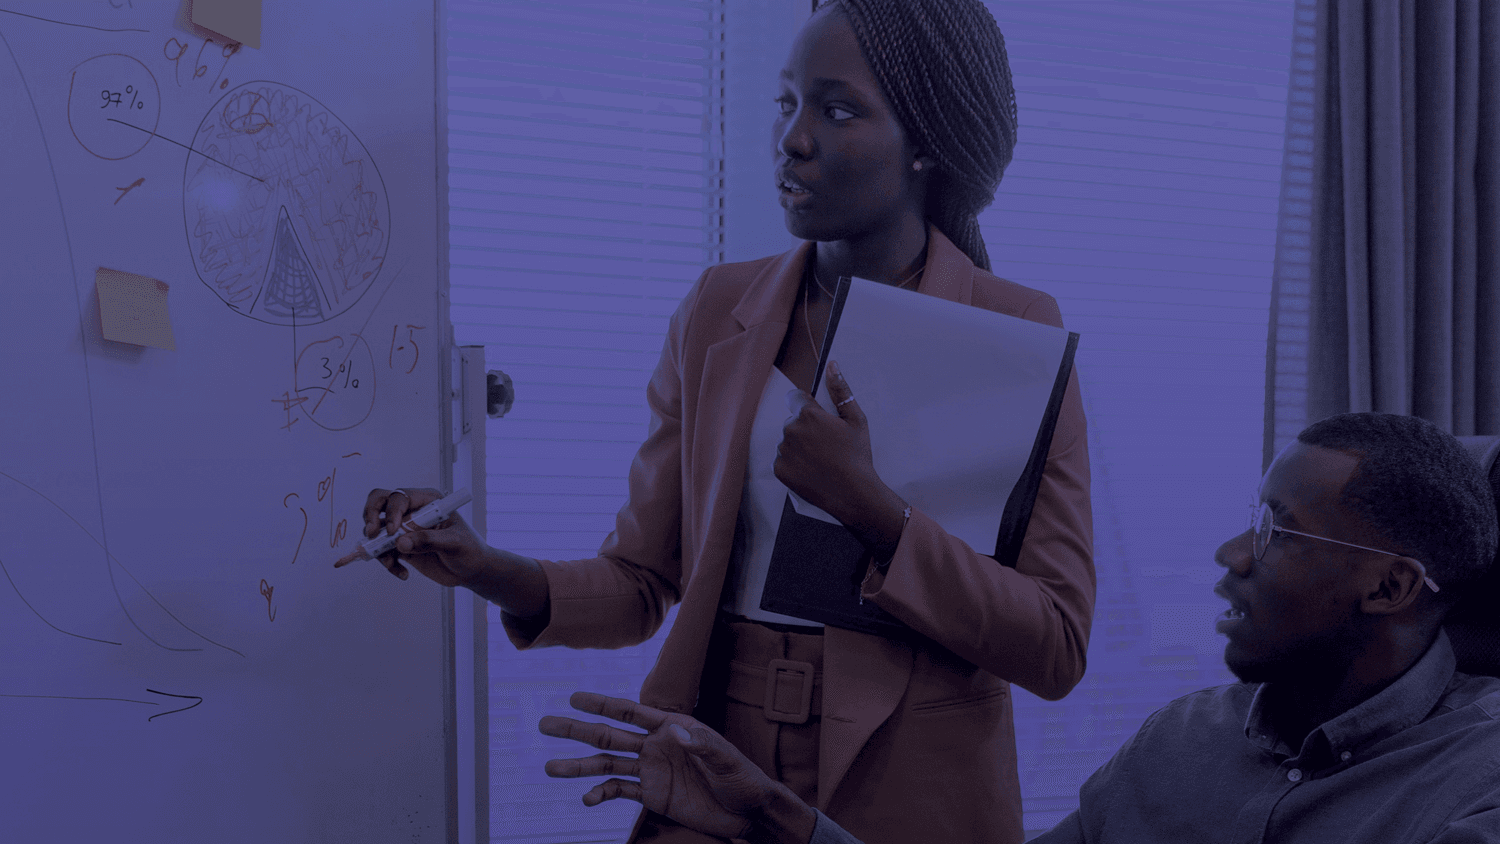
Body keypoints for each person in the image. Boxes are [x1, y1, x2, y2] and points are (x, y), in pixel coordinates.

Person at [351, 1, 1094, 842]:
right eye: (788, 103)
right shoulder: (716, 310)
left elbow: (1057, 645)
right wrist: (484, 565)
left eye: (837, 108)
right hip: (717, 761)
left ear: (926, 143)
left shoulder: (1009, 333)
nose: (793, 138)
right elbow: (641, 579)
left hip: (913, 786)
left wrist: (873, 512)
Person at [541, 412, 1500, 844]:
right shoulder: (1180, 742)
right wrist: (777, 821)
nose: (1230, 557)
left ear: (1391, 589)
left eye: (1272, 532)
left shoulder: (1474, 789)